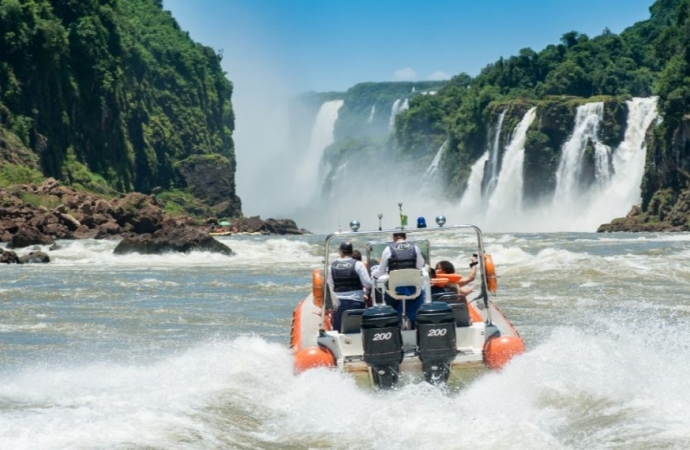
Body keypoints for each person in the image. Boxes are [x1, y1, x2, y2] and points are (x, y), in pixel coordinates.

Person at [371, 232, 425, 323]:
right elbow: (420, 265)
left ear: (393, 238)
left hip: (394, 291)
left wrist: (373, 274)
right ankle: (413, 320)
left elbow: (381, 271)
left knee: (389, 296)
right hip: (413, 290)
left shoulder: (388, 249)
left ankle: (395, 321)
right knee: (422, 291)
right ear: (405, 237)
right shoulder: (415, 248)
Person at [327, 241, 372, 332]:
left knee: (339, 330)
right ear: (351, 252)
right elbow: (368, 284)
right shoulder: (358, 264)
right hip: (356, 302)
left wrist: (329, 306)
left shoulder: (331, 266)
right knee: (357, 330)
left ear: (340, 251)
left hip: (338, 304)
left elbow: (330, 286)